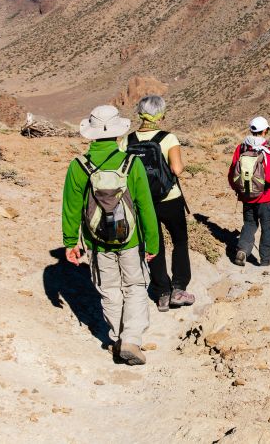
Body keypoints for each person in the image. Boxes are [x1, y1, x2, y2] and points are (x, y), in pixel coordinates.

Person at [61, 104, 159, 366]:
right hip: (131, 239)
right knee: (135, 286)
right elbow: (145, 206)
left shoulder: (78, 166)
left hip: (97, 242)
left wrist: (71, 242)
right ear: (118, 133)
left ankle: (116, 339)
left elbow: (71, 208)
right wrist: (153, 241)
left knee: (110, 289)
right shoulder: (132, 163)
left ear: (91, 134)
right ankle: (132, 339)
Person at [117, 95, 194, 312]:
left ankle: (162, 293)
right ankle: (179, 288)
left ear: (140, 113)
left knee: (153, 245)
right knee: (179, 241)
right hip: (169, 199)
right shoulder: (168, 138)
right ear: (160, 114)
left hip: (142, 202)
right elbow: (177, 170)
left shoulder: (127, 140)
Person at [228, 116, 270, 266]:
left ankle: (242, 250)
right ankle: (266, 259)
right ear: (265, 131)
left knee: (249, 224)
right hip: (265, 197)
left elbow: (232, 173)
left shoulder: (241, 148)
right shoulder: (267, 151)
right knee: (266, 227)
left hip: (246, 196)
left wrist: (239, 189)